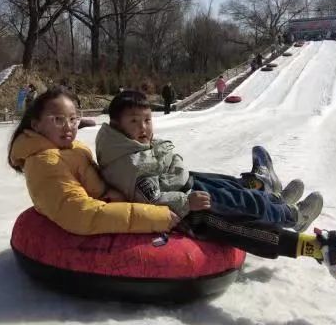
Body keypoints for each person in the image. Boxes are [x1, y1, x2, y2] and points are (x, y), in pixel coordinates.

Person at [9, 87, 336, 283]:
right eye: (58, 119)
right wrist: (163, 215)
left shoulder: (66, 150)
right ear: (35, 122)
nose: (70, 126)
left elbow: (106, 186)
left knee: (224, 197)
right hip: (155, 212)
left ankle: (272, 202)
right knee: (229, 223)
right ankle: (326, 251)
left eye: (73, 118)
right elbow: (81, 213)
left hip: (150, 204)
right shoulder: (45, 163)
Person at [96, 90, 321, 230]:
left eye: (147, 120)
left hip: (185, 181)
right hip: (189, 199)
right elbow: (152, 200)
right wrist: (186, 203)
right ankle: (293, 217)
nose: (144, 127)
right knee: (239, 200)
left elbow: (161, 157)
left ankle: (277, 201)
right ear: (117, 126)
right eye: (134, 121)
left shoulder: (129, 146)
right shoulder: (128, 164)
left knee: (232, 184)